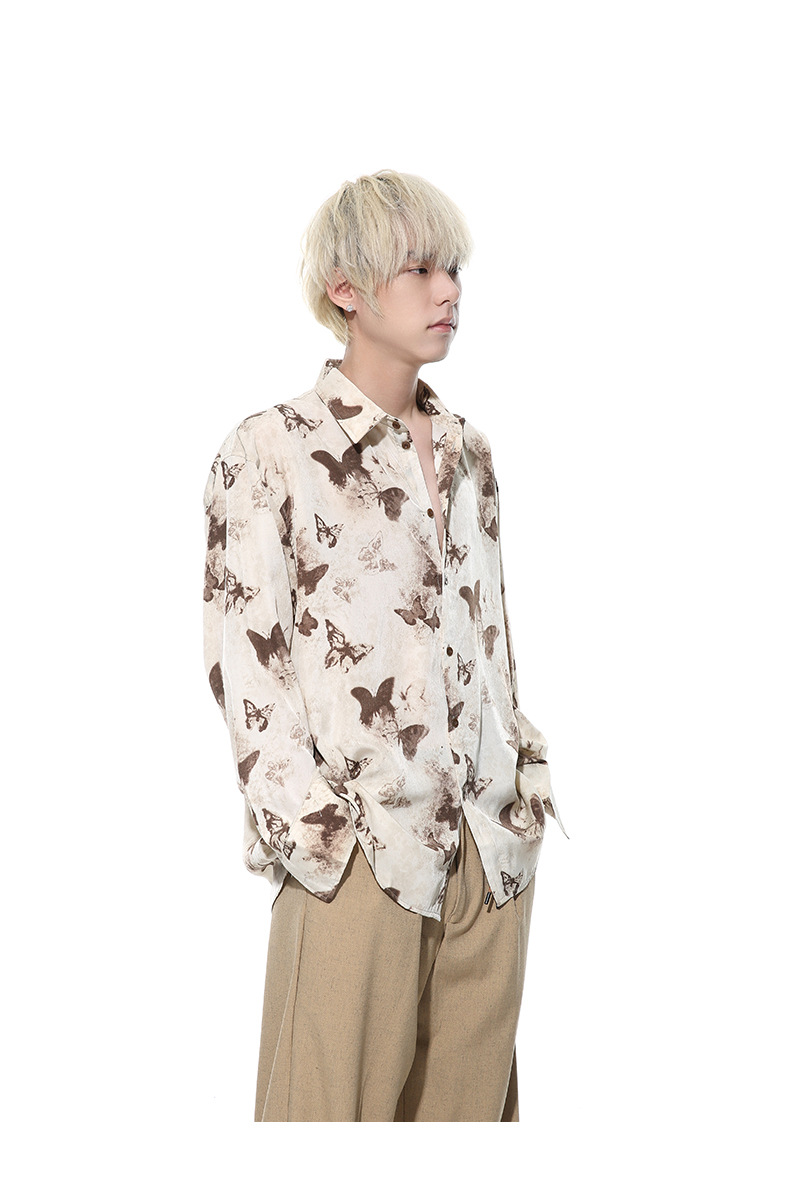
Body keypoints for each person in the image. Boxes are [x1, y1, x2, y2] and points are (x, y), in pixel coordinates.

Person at [202, 169, 569, 1122]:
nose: (449, 291)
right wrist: (325, 843)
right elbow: (247, 669)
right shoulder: (270, 450)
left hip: (488, 852)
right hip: (357, 857)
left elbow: (491, 638)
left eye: (454, 270)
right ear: (347, 289)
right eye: (419, 270)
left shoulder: (471, 452)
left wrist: (521, 791)